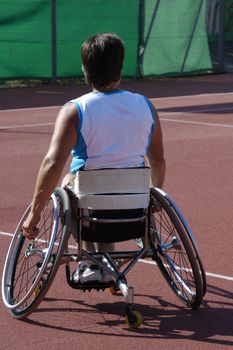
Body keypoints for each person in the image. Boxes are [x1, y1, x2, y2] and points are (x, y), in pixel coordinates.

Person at [23, 33, 166, 284]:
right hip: (135, 211)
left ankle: (92, 262)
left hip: (92, 213)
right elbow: (158, 159)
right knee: (97, 186)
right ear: (120, 68)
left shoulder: (75, 110)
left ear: (84, 69)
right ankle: (103, 261)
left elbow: (52, 164)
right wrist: (155, 194)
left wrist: (35, 214)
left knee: (71, 180)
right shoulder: (146, 106)